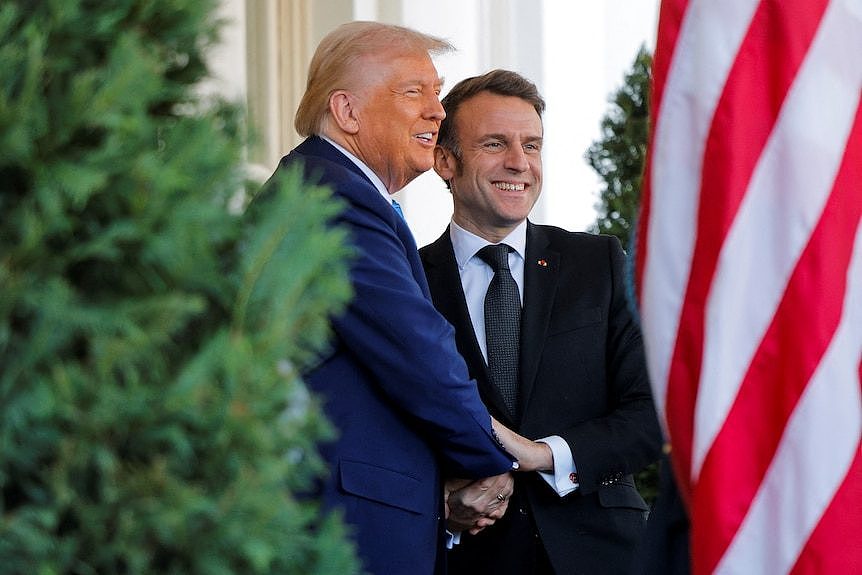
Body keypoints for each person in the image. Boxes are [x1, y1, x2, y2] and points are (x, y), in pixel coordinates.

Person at [255, 23, 516, 575]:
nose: (438, 112)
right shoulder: (334, 196)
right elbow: (417, 352)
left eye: (437, 93)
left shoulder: (331, 188)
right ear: (347, 112)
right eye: (413, 92)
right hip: (344, 527)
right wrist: (489, 460)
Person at [419, 69, 663, 574]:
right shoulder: (411, 281)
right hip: (472, 559)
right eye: (495, 143)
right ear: (445, 160)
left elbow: (650, 411)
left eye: (532, 146)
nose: (519, 163)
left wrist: (543, 454)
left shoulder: (598, 263)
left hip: (602, 555)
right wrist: (443, 500)